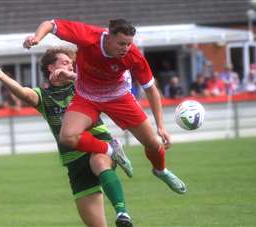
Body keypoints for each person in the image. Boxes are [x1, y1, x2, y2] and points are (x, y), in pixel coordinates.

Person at [23, 18, 187, 194]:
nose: (125, 48)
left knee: (154, 144)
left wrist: (161, 126)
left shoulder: (134, 55)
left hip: (118, 96)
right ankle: (111, 150)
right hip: (87, 96)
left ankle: (161, 170)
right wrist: (37, 38)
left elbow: (151, 90)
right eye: (121, 43)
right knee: (67, 137)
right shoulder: (89, 36)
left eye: (129, 44)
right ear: (108, 37)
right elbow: (51, 24)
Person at [0, 48, 133, 227]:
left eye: (72, 63)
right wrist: (2, 77)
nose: (71, 66)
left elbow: (107, 84)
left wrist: (73, 76)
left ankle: (122, 213)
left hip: (97, 143)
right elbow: (24, 93)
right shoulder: (44, 96)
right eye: (65, 62)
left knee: (99, 162)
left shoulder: (82, 86)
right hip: (73, 160)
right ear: (52, 67)